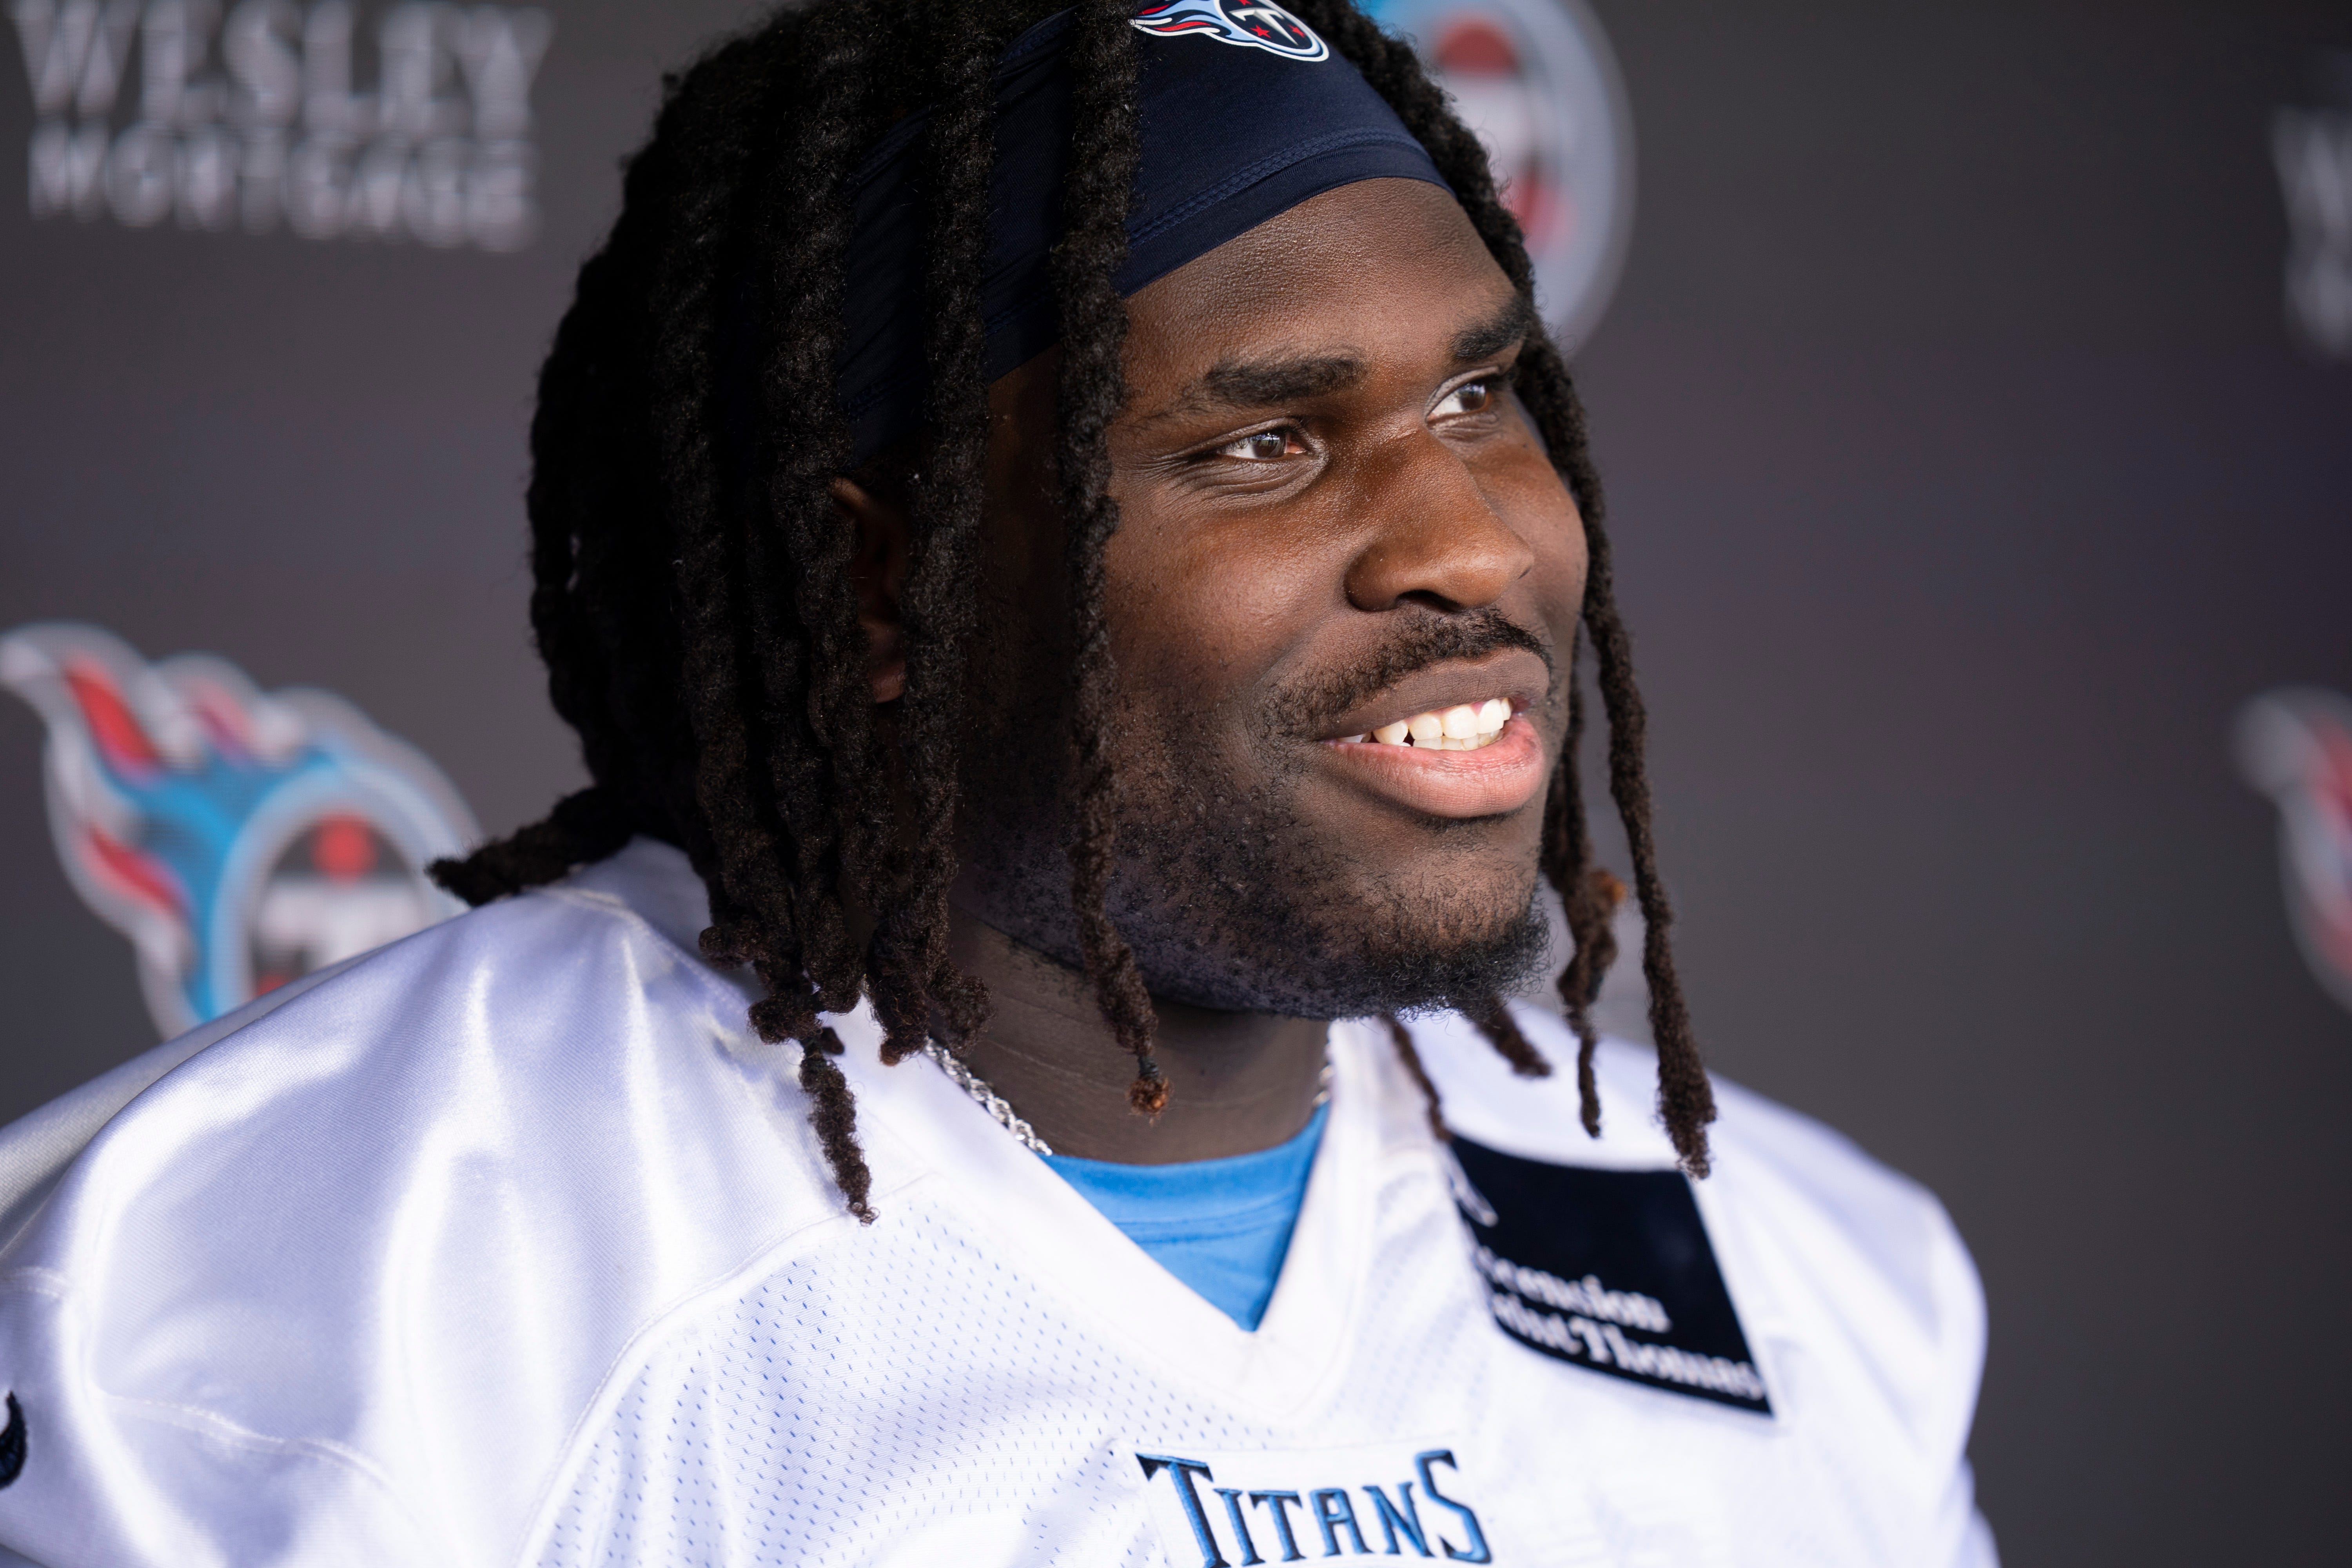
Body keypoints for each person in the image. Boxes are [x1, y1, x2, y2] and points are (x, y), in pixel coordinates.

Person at [0, 0, 1996, 1562]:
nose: (1474, 542)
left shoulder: (1804, 1275)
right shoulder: (305, 1293)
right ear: (892, 577)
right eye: (1265, 445)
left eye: (1480, 397)